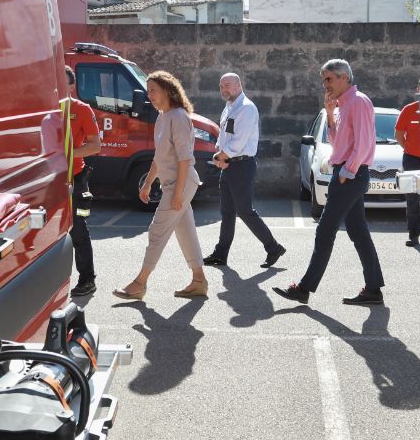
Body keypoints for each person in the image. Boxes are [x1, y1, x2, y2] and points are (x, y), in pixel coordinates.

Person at [273, 59, 385, 307]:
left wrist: (347, 172)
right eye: (324, 80)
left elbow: (364, 143)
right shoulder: (343, 106)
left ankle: (304, 289)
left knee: (325, 231)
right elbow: (338, 143)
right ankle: (374, 289)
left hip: (349, 177)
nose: (325, 84)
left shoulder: (359, 102)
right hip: (346, 175)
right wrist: (331, 117)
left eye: (329, 79)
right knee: (358, 233)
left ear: (344, 77)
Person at [113, 71, 208, 300]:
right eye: (148, 91)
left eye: (153, 90)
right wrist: (147, 184)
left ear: (167, 90)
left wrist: (177, 193)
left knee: (157, 231)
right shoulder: (163, 117)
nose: (150, 95)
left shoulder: (178, 116)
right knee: (186, 232)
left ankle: (140, 283)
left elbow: (185, 158)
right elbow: (159, 156)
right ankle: (199, 281)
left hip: (182, 183)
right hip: (172, 184)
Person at [203, 73, 286, 269]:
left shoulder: (246, 108)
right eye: (221, 86)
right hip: (229, 164)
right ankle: (221, 254)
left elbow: (238, 143)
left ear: (239, 85)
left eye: (228, 85)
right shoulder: (229, 106)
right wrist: (220, 153)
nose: (224, 89)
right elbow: (224, 136)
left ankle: (273, 248)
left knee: (245, 211)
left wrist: (221, 157)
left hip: (241, 165)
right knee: (227, 212)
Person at [65, 65, 101, 296]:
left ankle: (87, 279)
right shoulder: (44, 110)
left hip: (77, 181)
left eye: (61, 83)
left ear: (71, 85)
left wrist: (66, 153)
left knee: (79, 229)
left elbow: (95, 146)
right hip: (50, 180)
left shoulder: (81, 109)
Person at [395, 74, 420, 247]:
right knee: (412, 199)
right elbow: (398, 135)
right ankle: (414, 235)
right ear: (418, 90)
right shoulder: (409, 110)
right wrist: (408, 149)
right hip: (411, 159)